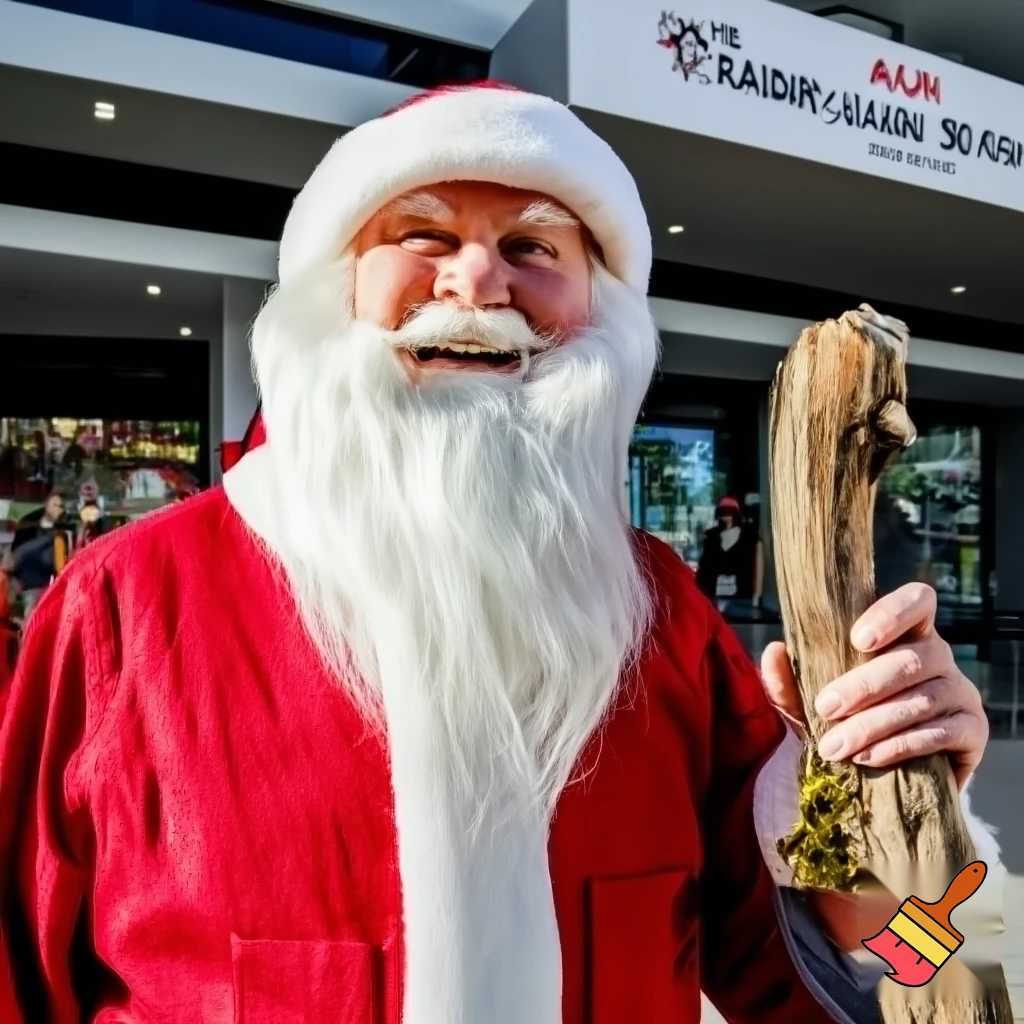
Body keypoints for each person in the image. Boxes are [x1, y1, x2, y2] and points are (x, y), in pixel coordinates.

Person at [0, 84, 993, 1024]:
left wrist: (915, 821)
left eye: (531, 245)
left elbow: (871, 977)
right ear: (334, 288)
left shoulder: (661, 615)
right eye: (422, 233)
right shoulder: (121, 607)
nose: (476, 279)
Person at [696, 496, 764, 612]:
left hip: (742, 598)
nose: (726, 517)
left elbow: (757, 568)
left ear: (736, 514)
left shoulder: (749, 538)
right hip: (713, 597)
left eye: (730, 513)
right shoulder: (711, 538)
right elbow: (704, 567)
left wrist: (756, 596)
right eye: (723, 513)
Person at [7, 493, 68, 619]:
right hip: (29, 587)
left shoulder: (62, 535)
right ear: (46, 506)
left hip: (50, 588)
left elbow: (62, 562)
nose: (58, 509)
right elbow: (15, 555)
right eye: (55, 505)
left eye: (61, 506)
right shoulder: (27, 530)